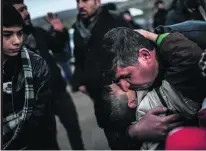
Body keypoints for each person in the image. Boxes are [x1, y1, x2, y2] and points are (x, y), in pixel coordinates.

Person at [100, 27, 206, 143]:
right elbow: (110, 128)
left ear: (145, 56)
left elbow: (189, 57)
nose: (124, 87)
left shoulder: (195, 36)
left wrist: (154, 37)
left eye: (126, 76)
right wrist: (134, 131)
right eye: (117, 81)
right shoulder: (120, 68)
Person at [6, 0, 85, 149]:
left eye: (26, 8)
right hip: (35, 101)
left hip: (58, 91)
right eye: (20, 10)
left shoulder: (38, 32)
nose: (26, 12)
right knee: (48, 141)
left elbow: (57, 47)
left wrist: (60, 31)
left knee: (73, 128)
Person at [2, 4, 57, 149]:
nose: (17, 41)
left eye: (19, 33)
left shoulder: (36, 65)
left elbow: (40, 114)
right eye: (7, 35)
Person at [71, 0, 129, 129]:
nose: (80, 5)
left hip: (119, 86)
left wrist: (127, 78)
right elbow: (79, 57)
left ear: (97, 2)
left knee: (128, 126)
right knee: (109, 127)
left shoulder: (113, 19)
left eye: (85, 1)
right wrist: (80, 81)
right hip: (95, 89)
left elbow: (130, 48)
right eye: (78, 2)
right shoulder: (77, 28)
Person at [103, 80, 201, 149]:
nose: (124, 82)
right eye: (120, 86)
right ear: (132, 102)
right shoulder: (150, 105)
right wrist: (133, 131)